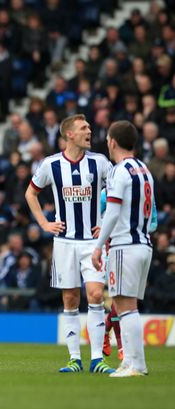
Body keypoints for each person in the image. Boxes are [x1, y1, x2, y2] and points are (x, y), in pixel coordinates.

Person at [25, 114, 115, 374]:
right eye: (84, 128)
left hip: (93, 242)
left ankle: (97, 359)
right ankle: (75, 358)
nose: (90, 131)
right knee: (70, 298)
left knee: (97, 294)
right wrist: (43, 223)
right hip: (64, 241)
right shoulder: (50, 165)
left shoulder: (100, 162)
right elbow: (31, 193)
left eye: (89, 127)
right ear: (69, 135)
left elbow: (117, 191)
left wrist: (107, 223)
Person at [91, 120, 155, 377]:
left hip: (124, 246)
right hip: (143, 244)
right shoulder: (144, 169)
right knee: (129, 306)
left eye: (107, 139)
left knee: (125, 306)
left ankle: (136, 364)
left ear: (113, 142)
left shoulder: (120, 171)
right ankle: (129, 362)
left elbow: (113, 211)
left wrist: (98, 247)